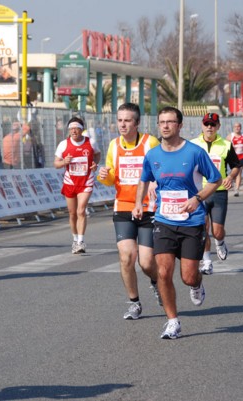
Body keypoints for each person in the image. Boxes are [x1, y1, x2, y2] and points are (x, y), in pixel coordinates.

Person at [132, 107, 221, 339]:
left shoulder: (194, 152)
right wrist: (138, 203)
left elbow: (215, 179)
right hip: (164, 221)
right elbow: (143, 180)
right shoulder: (152, 155)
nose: (165, 126)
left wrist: (198, 198)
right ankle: (173, 321)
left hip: (191, 221)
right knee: (162, 272)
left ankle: (196, 284)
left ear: (180, 125)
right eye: (161, 122)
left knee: (188, 276)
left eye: (170, 122)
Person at [97, 103, 162, 320]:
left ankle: (156, 282)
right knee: (126, 257)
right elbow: (110, 179)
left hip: (147, 208)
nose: (122, 124)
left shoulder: (149, 142)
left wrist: (155, 181)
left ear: (137, 123)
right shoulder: (114, 146)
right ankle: (134, 303)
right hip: (123, 206)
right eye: (119, 120)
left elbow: (162, 167)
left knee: (146, 262)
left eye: (127, 120)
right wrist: (104, 174)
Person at [192, 113, 241, 275]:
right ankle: (207, 261)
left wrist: (230, 177)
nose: (209, 127)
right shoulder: (193, 145)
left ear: (218, 126)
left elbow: (236, 165)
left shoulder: (226, 145)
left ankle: (220, 242)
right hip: (200, 192)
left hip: (219, 192)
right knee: (203, 228)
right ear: (202, 125)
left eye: (213, 124)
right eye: (206, 124)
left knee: (217, 231)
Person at [54, 116, 101, 254]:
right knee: (72, 213)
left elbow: (97, 154)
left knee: (81, 210)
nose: (74, 131)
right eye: (71, 129)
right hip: (70, 181)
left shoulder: (90, 142)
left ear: (81, 130)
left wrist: (95, 164)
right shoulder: (63, 144)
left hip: (86, 180)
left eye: (76, 129)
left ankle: (81, 241)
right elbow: (56, 164)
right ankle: (75, 239)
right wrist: (64, 162)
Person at [226, 122, 243, 196]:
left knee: (239, 172)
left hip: (241, 156)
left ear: (240, 127)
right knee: (234, 172)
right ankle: (232, 183)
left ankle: (237, 189)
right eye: (235, 126)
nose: (237, 128)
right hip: (233, 157)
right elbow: (227, 147)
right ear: (233, 128)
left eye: (238, 126)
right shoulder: (230, 136)